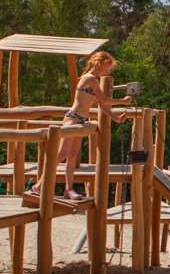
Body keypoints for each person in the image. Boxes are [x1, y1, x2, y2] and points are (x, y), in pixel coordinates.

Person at [29, 51, 130, 201]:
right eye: (107, 69)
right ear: (99, 63)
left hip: (81, 120)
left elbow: (102, 105)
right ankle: (38, 185)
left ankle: (68, 190)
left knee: (72, 155)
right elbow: (105, 100)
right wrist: (123, 101)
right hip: (73, 119)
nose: (106, 72)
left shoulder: (92, 79)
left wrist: (116, 118)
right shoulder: (90, 78)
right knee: (61, 154)